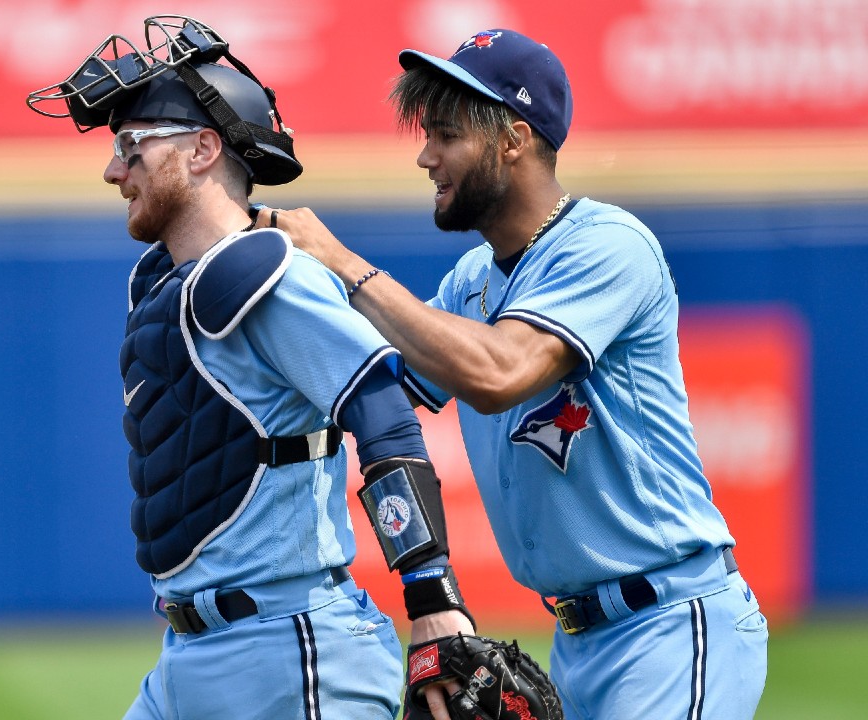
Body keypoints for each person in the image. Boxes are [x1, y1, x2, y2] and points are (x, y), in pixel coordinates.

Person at [265, 28, 769, 720]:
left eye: (446, 134)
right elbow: (370, 384)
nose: (425, 155)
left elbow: (501, 372)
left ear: (513, 139)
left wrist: (343, 263)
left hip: (671, 621)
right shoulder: (473, 279)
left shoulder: (607, 245)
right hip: (577, 641)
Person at [26, 16, 483, 720]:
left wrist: (432, 599)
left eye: (132, 147)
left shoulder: (268, 275)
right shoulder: (161, 286)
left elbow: (383, 415)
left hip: (290, 650)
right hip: (187, 655)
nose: (115, 171)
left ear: (204, 148)